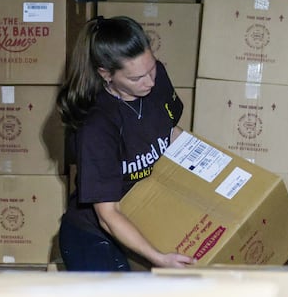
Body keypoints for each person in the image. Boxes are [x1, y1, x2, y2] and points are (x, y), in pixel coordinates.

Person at [57, 15, 195, 271]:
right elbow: (108, 216)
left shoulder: (156, 78)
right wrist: (160, 259)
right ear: (106, 74)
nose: (151, 82)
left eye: (151, 68)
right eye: (136, 78)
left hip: (145, 212)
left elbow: (171, 131)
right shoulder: (97, 126)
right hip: (96, 233)